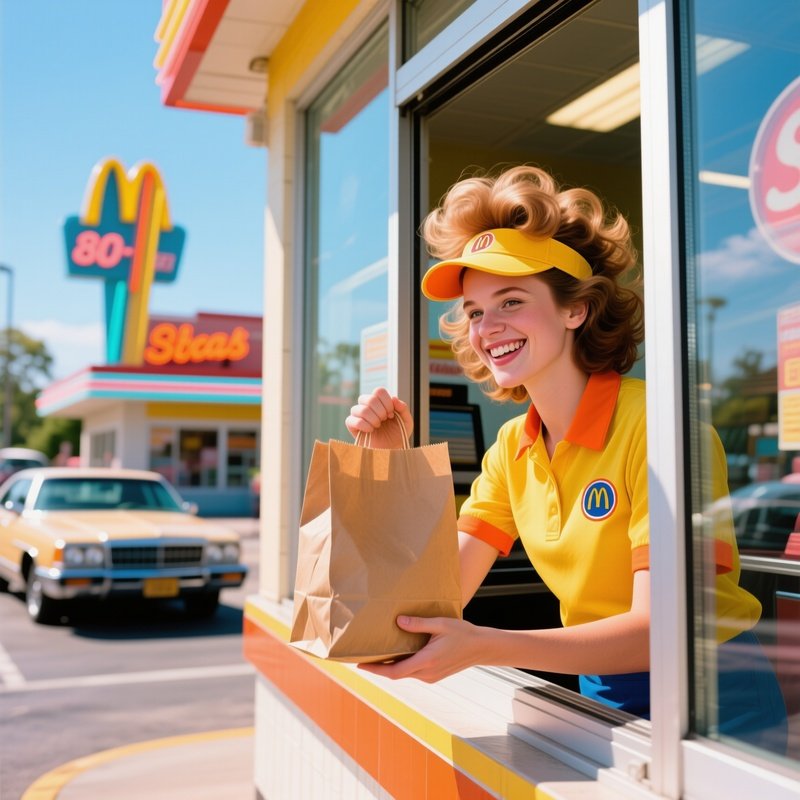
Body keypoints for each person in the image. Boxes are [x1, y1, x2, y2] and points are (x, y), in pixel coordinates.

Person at [345, 165, 787, 747]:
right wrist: (383, 464)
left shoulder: (660, 428)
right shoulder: (512, 448)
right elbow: (429, 595)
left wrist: (487, 645)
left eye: (510, 300)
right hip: (601, 691)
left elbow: (666, 629)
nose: (488, 327)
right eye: (476, 311)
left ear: (575, 309)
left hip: (716, 699)